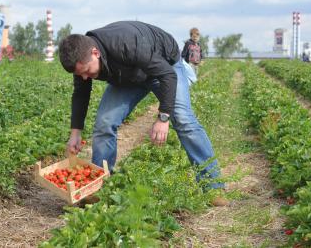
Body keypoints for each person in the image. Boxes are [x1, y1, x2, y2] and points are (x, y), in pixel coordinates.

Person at [59, 21, 227, 206]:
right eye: (80, 74)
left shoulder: (127, 43)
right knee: (105, 123)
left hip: (163, 69)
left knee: (183, 120)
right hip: (129, 76)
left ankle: (213, 186)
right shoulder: (80, 56)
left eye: (87, 72)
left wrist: (163, 117)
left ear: (95, 52)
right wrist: (75, 132)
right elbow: (81, 93)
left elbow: (167, 76)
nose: (84, 77)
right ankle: (100, 188)